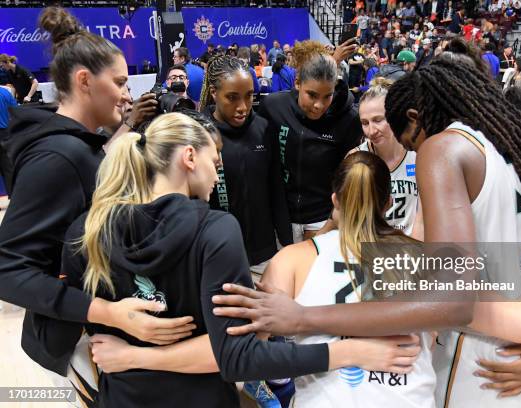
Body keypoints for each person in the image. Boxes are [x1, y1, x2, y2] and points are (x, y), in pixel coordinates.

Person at [213, 58, 521, 407]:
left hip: (489, 361)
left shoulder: (445, 149)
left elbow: (452, 302)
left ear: (417, 120)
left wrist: (304, 319)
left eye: (409, 140)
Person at [48, 112, 417, 407]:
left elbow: (65, 333)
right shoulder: (217, 230)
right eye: (215, 157)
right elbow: (237, 355)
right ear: (189, 157)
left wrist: (127, 346)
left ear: (333, 200)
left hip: (123, 396)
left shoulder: (87, 228)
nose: (219, 167)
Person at [0, 7, 193, 406]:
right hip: (76, 337)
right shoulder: (59, 157)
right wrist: (107, 312)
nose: (127, 93)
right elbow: (8, 270)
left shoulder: (81, 147)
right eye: (120, 82)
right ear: (84, 81)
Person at [261, 151, 435, 407]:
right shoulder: (425, 257)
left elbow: (248, 354)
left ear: (335, 200)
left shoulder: (291, 260)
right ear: (388, 203)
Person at [257, 40, 362, 242]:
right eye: (311, 95)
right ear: (297, 83)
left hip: (324, 218)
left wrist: (334, 217)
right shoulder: (273, 107)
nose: (318, 105)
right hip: (281, 217)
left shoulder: (348, 119)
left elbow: (348, 174)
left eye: (327, 96)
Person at [199, 54, 292, 278]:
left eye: (249, 96)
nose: (243, 107)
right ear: (214, 93)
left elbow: (277, 191)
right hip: (218, 255)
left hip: (265, 254)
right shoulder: (198, 133)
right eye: (232, 97)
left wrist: (287, 246)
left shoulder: (263, 128)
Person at [350, 78, 420, 236]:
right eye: (365, 123)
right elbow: (350, 219)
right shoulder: (356, 158)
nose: (371, 131)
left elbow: (422, 218)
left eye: (378, 120)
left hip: (409, 248)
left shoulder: (418, 155)